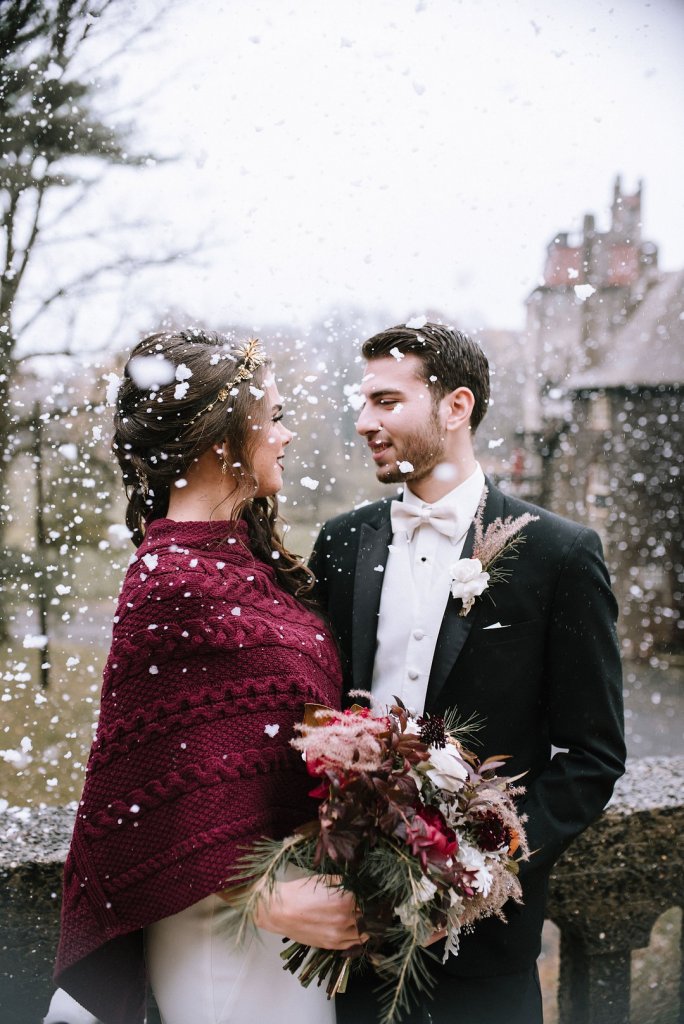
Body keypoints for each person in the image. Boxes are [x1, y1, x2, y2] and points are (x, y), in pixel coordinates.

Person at [310, 322, 626, 1024]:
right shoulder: (340, 544)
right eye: (363, 403)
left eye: (387, 402)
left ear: (456, 407)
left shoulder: (559, 555)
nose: (364, 422)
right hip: (355, 943)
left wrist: (481, 875)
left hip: (487, 958)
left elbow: (593, 755)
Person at [49, 330, 360, 1024]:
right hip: (223, 934)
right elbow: (142, 806)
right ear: (224, 439)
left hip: (292, 922)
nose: (284, 436)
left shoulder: (248, 558)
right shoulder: (169, 581)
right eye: (273, 417)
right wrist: (264, 896)